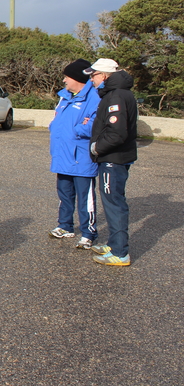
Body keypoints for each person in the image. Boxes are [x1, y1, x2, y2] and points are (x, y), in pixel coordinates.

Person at [85, 58, 137, 266]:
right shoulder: (116, 94)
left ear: (105, 76)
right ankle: (114, 244)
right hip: (113, 158)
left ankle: (120, 252)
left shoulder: (116, 96)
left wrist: (96, 148)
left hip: (113, 160)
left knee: (114, 203)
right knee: (112, 201)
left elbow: (117, 133)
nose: (91, 80)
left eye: (94, 75)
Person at [48, 59, 101, 249]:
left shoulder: (94, 97)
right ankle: (65, 226)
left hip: (81, 158)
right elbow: (57, 120)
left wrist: (79, 129)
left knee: (85, 198)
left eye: (66, 77)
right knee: (64, 194)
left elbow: (96, 124)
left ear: (77, 78)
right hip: (62, 156)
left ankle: (88, 233)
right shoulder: (64, 97)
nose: (64, 81)